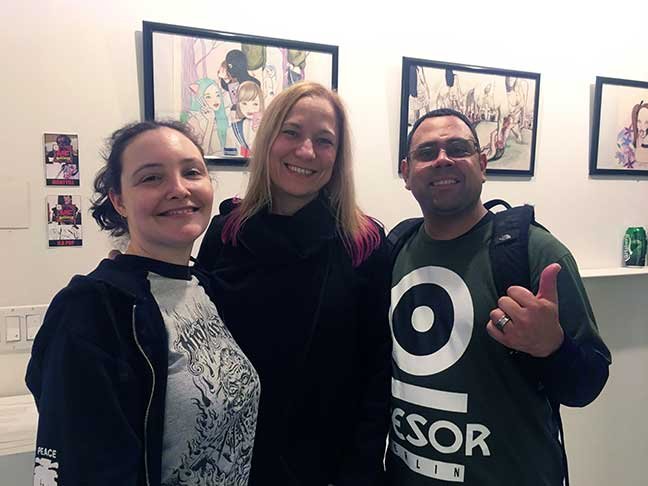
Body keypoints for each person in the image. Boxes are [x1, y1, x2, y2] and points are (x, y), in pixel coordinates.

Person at [26, 120, 260, 486]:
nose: (178, 189)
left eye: (192, 172)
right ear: (118, 200)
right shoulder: (92, 310)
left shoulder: (205, 289)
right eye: (152, 178)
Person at [387, 108, 611, 485]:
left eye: (458, 148)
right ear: (406, 173)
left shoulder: (538, 253)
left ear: (482, 164)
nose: (443, 159)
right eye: (427, 152)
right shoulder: (394, 250)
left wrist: (553, 348)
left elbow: (587, 384)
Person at [196, 81, 391, 486]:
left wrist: (359, 473)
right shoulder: (226, 232)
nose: (306, 151)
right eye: (291, 132)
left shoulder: (364, 243)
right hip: (229, 463)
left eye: (324, 141)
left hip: (326, 469)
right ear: (268, 139)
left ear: (338, 156)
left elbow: (377, 373)